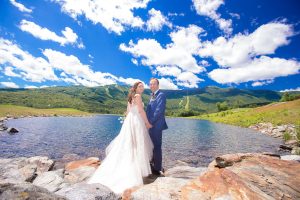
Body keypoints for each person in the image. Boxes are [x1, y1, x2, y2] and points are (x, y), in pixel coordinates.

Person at [87, 81, 154, 194]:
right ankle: (135, 168)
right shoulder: (137, 96)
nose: (142, 88)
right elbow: (141, 110)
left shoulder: (131, 97)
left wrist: (126, 122)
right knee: (137, 143)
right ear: (136, 88)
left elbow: (128, 112)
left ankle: (131, 164)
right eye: (140, 86)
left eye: (143, 86)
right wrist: (147, 122)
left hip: (130, 121)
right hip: (136, 120)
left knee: (129, 143)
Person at [146, 78, 168, 176]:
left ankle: (157, 167)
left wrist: (150, 122)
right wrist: (145, 121)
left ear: (158, 85)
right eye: (150, 84)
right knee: (151, 145)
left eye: (154, 84)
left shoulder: (161, 95)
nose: (152, 86)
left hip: (157, 125)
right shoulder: (152, 95)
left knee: (157, 146)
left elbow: (159, 111)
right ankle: (153, 163)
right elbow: (149, 111)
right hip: (150, 125)